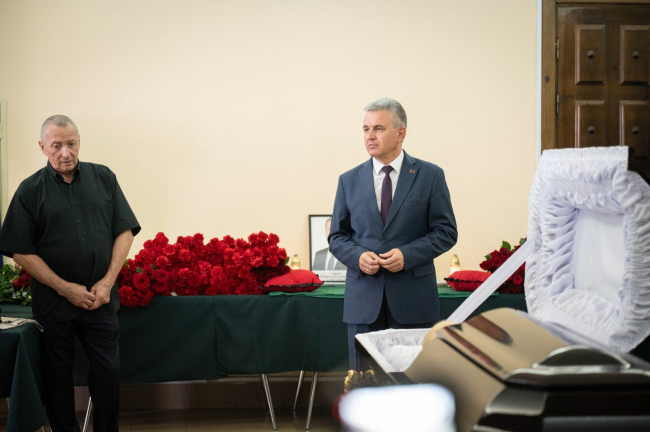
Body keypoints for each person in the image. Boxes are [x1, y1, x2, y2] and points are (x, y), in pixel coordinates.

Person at [0, 115, 140, 432]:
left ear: (79, 142)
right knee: (57, 379)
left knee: (108, 372)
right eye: (56, 146)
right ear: (42, 147)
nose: (66, 152)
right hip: (54, 303)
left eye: (71, 143)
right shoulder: (29, 190)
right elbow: (20, 250)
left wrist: (107, 282)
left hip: (100, 300)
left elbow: (125, 230)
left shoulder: (104, 177)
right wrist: (65, 288)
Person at [328, 98, 457, 370]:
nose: (370, 136)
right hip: (364, 303)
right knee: (364, 383)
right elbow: (337, 237)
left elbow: (446, 232)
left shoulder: (430, 176)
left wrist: (407, 255)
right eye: (366, 129)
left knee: (414, 381)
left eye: (378, 128)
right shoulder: (348, 180)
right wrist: (358, 257)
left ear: (401, 133)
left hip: (414, 302)